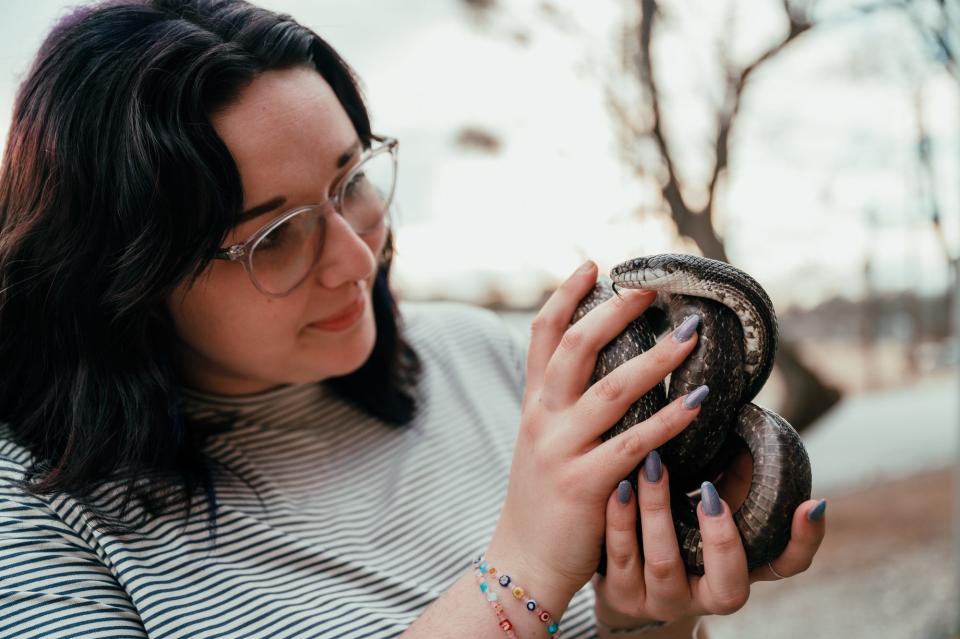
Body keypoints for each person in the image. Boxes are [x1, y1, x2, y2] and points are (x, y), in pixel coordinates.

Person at [0, 1, 827, 637]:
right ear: (124, 277)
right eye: (277, 236)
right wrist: (525, 567)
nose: (358, 262)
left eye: (351, 180)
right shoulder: (32, 513)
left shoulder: (477, 353)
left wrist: (646, 613)